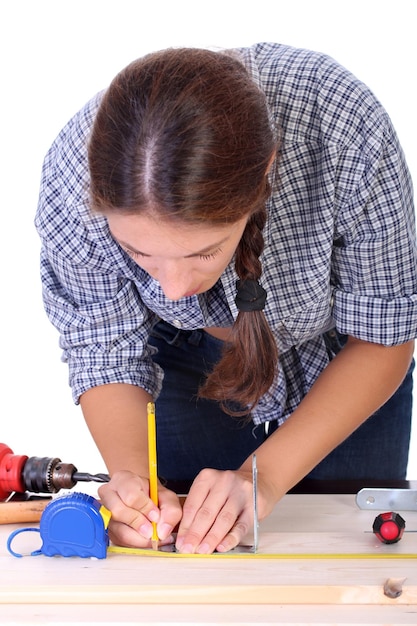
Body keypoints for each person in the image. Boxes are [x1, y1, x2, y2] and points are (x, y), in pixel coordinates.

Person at [35, 43, 416, 554]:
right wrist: (132, 487)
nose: (171, 287)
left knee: (345, 547)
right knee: (190, 550)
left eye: (202, 252)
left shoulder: (342, 123)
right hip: (182, 353)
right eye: (138, 252)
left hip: (344, 357)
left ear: (266, 174)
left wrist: (264, 478)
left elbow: (384, 331)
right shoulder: (70, 179)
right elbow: (104, 349)